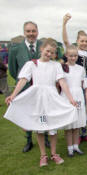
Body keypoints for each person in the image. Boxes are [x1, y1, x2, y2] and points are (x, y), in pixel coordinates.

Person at [4, 39, 77, 167]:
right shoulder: (32, 64)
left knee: (52, 128)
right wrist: (13, 95)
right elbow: (23, 80)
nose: (49, 54)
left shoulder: (56, 65)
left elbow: (62, 82)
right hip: (38, 101)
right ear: (42, 49)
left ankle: (54, 153)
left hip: (52, 99)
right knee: (41, 128)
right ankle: (43, 155)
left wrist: (70, 98)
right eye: (48, 51)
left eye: (52, 53)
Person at [8, 21, 50, 153]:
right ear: (24, 32)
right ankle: (28, 140)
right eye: (28, 31)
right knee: (28, 114)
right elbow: (14, 70)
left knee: (44, 113)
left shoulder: (43, 47)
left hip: (41, 89)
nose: (31, 34)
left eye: (33, 31)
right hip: (25, 88)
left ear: (37, 31)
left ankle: (46, 138)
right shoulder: (15, 50)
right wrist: (23, 82)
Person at [62, 13, 87, 142]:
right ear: (77, 41)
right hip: (74, 83)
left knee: (85, 107)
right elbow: (64, 41)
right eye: (82, 41)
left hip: (85, 83)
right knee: (75, 107)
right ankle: (74, 131)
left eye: (86, 41)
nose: (84, 43)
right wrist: (64, 23)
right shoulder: (73, 50)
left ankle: (83, 133)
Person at [61, 45, 86, 157]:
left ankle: (76, 146)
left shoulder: (81, 68)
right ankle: (70, 148)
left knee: (77, 124)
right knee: (69, 125)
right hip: (67, 96)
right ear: (66, 55)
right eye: (71, 56)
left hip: (78, 95)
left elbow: (81, 83)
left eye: (75, 55)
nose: (73, 58)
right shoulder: (62, 68)